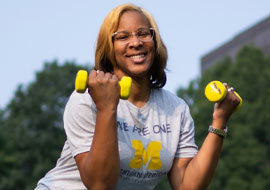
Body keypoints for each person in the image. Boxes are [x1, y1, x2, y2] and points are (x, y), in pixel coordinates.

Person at [35, 3, 240, 190]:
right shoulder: (87, 100)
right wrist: (107, 108)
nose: (136, 42)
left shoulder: (176, 109)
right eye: (123, 37)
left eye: (143, 33)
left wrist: (219, 122)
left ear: (154, 41)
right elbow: (100, 184)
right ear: (109, 48)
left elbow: (187, 185)